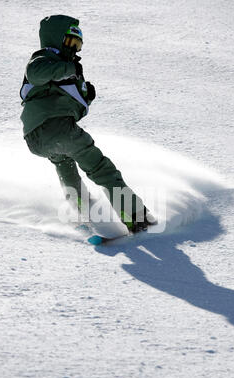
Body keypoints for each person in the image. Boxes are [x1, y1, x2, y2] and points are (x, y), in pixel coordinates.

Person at [20, 14, 154, 232]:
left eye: (78, 44)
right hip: (57, 128)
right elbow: (36, 74)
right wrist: (70, 70)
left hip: (36, 137)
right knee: (100, 167)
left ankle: (82, 210)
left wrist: (85, 97)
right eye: (71, 42)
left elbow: (67, 104)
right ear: (56, 39)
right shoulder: (44, 58)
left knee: (65, 164)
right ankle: (136, 217)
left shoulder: (60, 68)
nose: (74, 49)